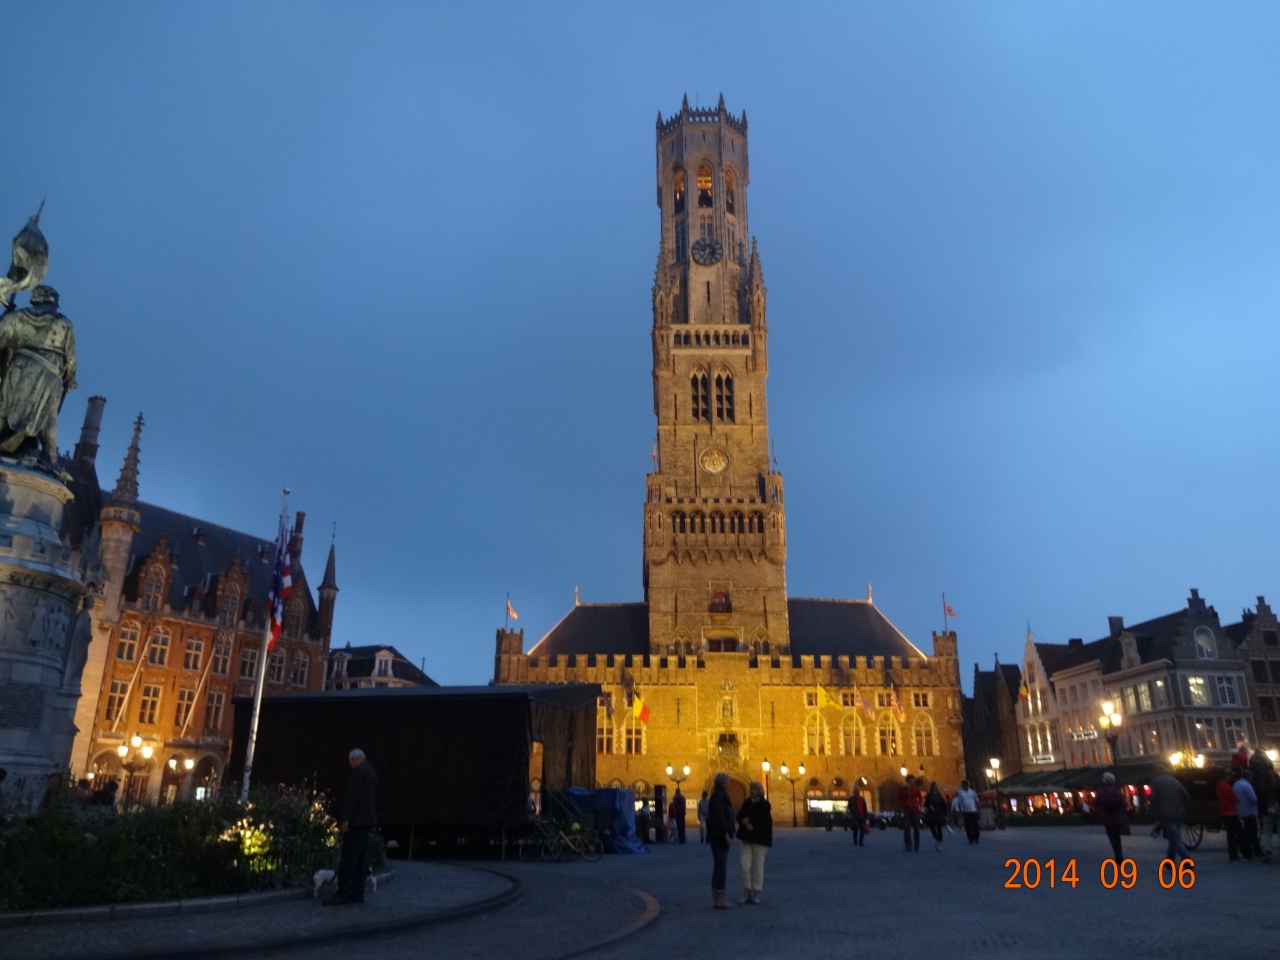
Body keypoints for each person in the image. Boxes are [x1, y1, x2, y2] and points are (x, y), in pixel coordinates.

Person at [324, 748, 378, 906]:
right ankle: (357, 893)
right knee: (360, 859)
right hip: (367, 821)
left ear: (353, 759)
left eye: (350, 762)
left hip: (356, 821)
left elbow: (352, 797)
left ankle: (342, 894)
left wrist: (346, 819)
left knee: (348, 858)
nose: (350, 765)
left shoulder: (358, 772)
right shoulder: (371, 772)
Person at [735, 781, 773, 904]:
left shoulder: (764, 805)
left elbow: (764, 821)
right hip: (746, 837)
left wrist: (750, 822)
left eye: (754, 789)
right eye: (750, 789)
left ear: (759, 791)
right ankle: (746, 891)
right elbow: (739, 816)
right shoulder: (747, 802)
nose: (751, 791)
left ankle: (757, 892)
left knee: (758, 866)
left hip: (760, 839)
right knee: (744, 865)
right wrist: (744, 821)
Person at [706, 772, 736, 909]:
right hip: (719, 836)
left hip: (716, 835)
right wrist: (726, 833)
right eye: (727, 781)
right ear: (723, 782)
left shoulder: (717, 794)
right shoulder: (719, 796)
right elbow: (720, 816)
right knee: (721, 866)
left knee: (718, 865)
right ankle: (721, 898)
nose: (729, 783)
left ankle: (716, 896)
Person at [1149, 771, 1191, 864]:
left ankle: (1186, 858)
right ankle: (1170, 861)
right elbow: (1186, 795)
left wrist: (1154, 807)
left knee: (1175, 838)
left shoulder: (1155, 781)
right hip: (1178, 813)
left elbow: (1153, 797)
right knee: (1173, 836)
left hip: (1165, 814)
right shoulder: (1174, 780)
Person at [1234, 769, 1270, 862]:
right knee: (1252, 832)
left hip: (1240, 810)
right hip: (1250, 811)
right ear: (1250, 777)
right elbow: (1254, 799)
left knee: (1248, 832)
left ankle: (1252, 850)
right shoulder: (1247, 785)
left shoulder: (1236, 784)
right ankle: (1255, 851)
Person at [1096, 772, 1128, 862]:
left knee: (1111, 835)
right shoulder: (1117, 790)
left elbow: (1098, 802)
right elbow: (1122, 802)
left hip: (1107, 816)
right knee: (1117, 835)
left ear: (1104, 780)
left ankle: (1116, 852)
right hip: (1117, 815)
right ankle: (1119, 854)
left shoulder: (1101, 790)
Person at [1217, 770, 1241, 861]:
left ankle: (1232, 853)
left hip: (1224, 811)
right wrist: (1238, 798)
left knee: (1230, 834)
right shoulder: (1226, 786)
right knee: (1237, 832)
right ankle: (1236, 853)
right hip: (1230, 811)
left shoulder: (1219, 785)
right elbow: (1233, 797)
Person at [899, 776, 923, 852]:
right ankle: (908, 845)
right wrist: (903, 805)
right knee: (907, 828)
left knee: (916, 829)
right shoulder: (903, 789)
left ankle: (916, 845)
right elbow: (900, 798)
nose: (913, 781)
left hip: (915, 810)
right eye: (912, 780)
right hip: (907, 810)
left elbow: (920, 797)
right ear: (908, 780)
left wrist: (918, 804)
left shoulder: (915, 789)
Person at [954, 780, 980, 844]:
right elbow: (959, 802)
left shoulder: (972, 792)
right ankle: (970, 838)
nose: (962, 786)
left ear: (967, 785)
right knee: (967, 826)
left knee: (975, 826)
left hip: (973, 811)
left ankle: (976, 838)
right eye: (962, 785)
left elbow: (977, 800)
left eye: (963, 785)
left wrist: (977, 809)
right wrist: (961, 810)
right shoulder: (960, 792)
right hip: (966, 812)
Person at [924, 781, 947, 851]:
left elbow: (943, 805)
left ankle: (939, 842)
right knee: (932, 828)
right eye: (934, 786)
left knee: (939, 828)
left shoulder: (940, 795)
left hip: (939, 812)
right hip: (932, 813)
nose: (935, 787)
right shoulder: (929, 795)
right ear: (931, 787)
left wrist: (945, 814)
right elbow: (926, 803)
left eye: (936, 786)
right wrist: (929, 806)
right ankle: (937, 838)